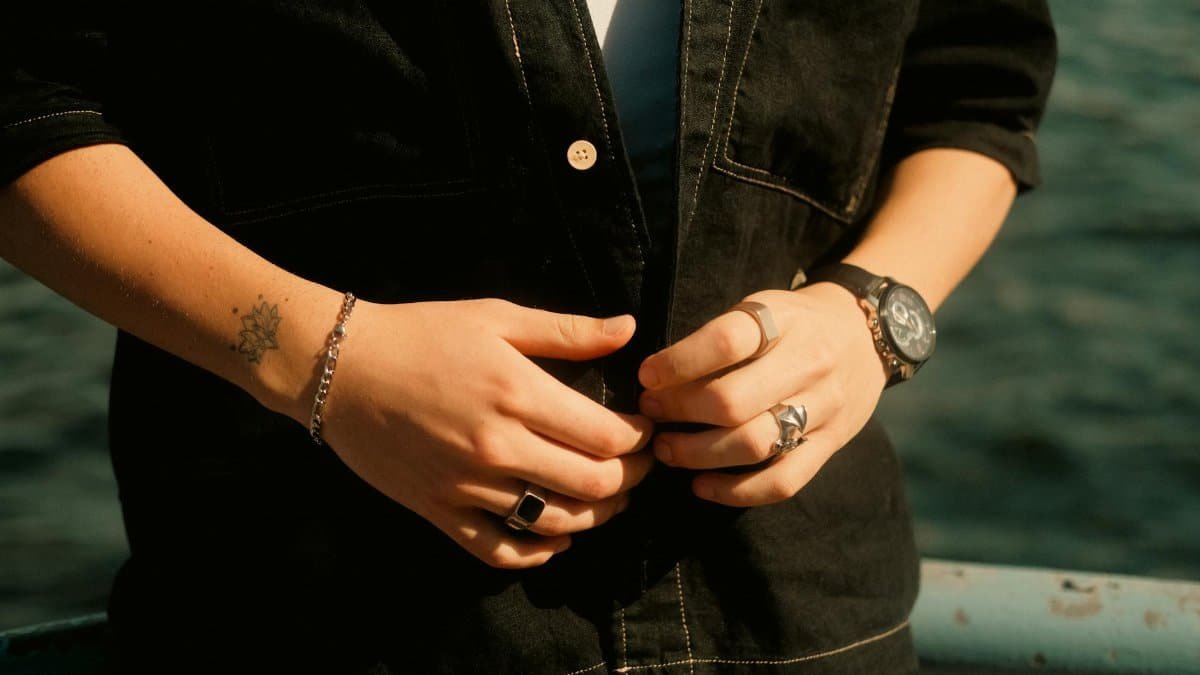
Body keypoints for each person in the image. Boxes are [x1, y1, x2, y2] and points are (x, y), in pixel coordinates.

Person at [0, 0, 1056, 672]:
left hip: (797, 623)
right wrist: (324, 360)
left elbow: (975, 85)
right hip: (312, 621)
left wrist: (870, 316)